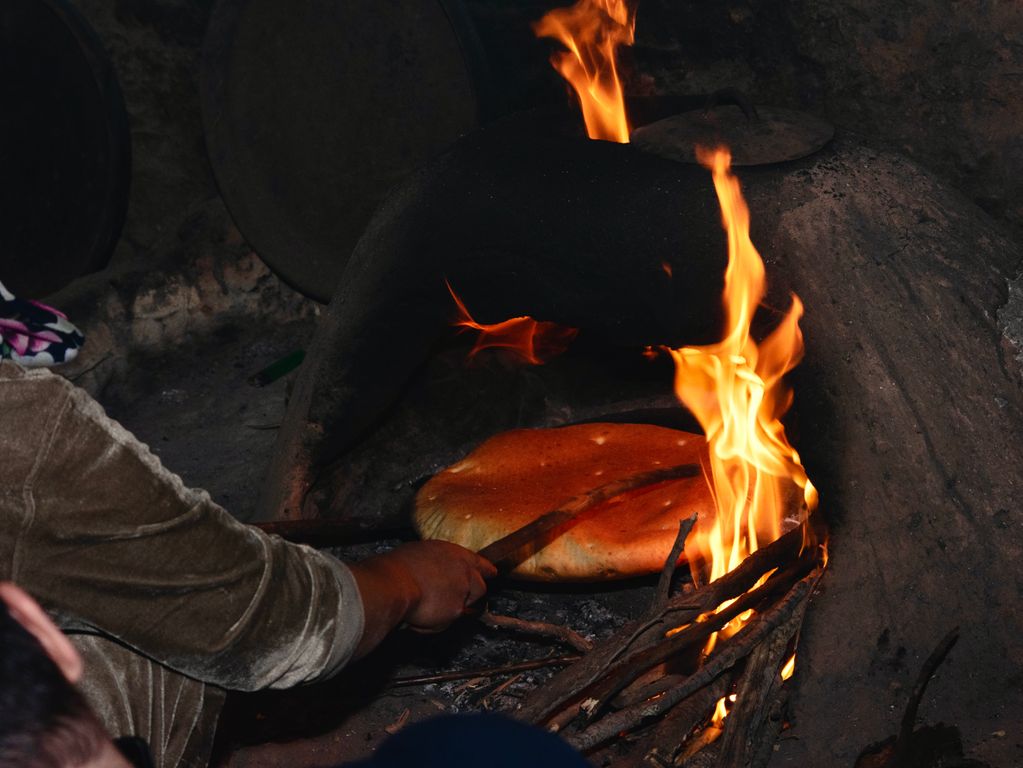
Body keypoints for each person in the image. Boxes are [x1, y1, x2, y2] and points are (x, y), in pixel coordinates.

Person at [0, 361, 496, 767]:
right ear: (35, 630)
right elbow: (258, 621)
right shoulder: (20, 427)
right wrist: (405, 581)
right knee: (177, 620)